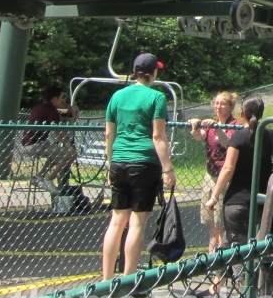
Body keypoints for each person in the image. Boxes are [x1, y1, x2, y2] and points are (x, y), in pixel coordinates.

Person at [101, 53, 176, 281]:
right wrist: (168, 169)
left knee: (116, 221)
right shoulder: (156, 97)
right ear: (153, 73)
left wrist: (110, 163)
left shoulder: (117, 96)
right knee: (137, 222)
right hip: (144, 163)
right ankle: (128, 278)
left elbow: (108, 134)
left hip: (119, 162)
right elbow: (158, 136)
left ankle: (106, 279)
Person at [205, 95, 273, 246]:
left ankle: (237, 270)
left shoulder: (239, 137)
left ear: (241, 114)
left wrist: (214, 197)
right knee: (233, 245)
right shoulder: (270, 135)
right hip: (261, 201)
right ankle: (224, 270)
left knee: (236, 247)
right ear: (262, 114)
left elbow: (228, 167)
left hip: (237, 201)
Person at [189, 92, 239, 255]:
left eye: (222, 104)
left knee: (221, 223)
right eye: (216, 103)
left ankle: (221, 257)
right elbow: (200, 137)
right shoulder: (212, 124)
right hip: (210, 175)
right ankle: (211, 258)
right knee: (211, 222)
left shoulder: (235, 125)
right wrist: (195, 127)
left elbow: (228, 143)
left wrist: (217, 129)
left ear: (231, 107)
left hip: (225, 177)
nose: (218, 107)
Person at [23, 85, 79, 193]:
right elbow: (58, 132)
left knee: (56, 154)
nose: (62, 101)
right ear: (54, 99)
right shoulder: (51, 110)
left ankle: (39, 177)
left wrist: (70, 108)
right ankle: (49, 179)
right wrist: (69, 145)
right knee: (72, 154)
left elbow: (63, 110)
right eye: (61, 98)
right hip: (37, 144)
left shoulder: (40, 106)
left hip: (29, 143)